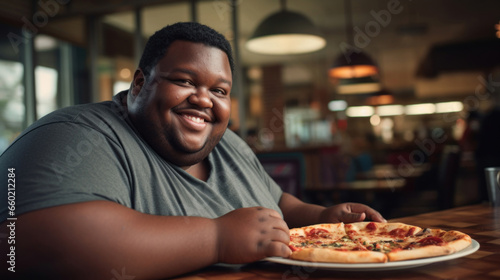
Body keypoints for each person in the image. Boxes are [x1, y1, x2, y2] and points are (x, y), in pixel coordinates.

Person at [0, 22, 385, 279]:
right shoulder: (73, 137)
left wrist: (322, 217)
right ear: (139, 83)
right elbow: (22, 244)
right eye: (184, 81)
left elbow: (277, 205)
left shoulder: (229, 144)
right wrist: (216, 238)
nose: (204, 100)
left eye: (219, 90)